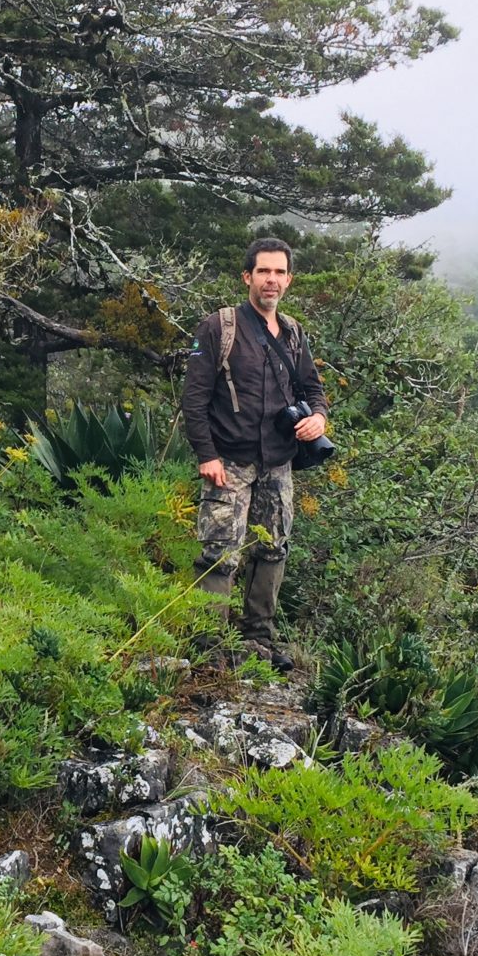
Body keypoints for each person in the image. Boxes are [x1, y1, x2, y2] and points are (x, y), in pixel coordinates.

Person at [178, 237, 329, 672]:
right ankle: (209, 648)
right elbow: (195, 398)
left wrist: (318, 417)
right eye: (264, 271)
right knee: (219, 553)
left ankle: (258, 640)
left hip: (278, 463)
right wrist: (206, 455)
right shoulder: (219, 328)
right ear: (248, 277)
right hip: (229, 462)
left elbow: (313, 389)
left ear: (289, 279)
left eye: (280, 272)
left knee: (273, 549)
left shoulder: (295, 332)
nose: (272, 280)